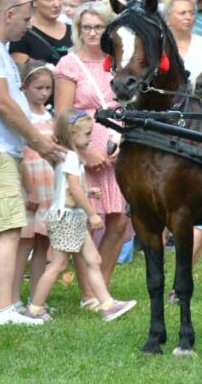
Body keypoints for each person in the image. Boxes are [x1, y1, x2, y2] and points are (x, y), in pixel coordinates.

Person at [0, 0, 65, 326]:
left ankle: (9, 304)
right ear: (8, 15)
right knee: (9, 229)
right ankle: (2, 310)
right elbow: (2, 103)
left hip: (3, 151)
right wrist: (39, 142)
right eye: (26, 19)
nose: (28, 28)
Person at [24, 109, 136, 322]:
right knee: (58, 265)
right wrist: (92, 213)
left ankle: (107, 305)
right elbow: (73, 191)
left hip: (69, 217)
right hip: (67, 218)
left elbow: (68, 189)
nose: (90, 138)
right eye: (86, 134)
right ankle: (35, 308)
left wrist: (87, 193)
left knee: (93, 260)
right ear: (71, 134)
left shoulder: (66, 158)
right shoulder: (72, 158)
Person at [54, 2, 130, 286]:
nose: (92, 32)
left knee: (119, 220)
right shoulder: (69, 64)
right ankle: (89, 292)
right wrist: (84, 152)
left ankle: (103, 286)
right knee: (88, 220)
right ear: (78, 30)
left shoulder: (118, 61)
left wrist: (124, 138)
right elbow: (62, 115)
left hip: (118, 147)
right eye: (86, 27)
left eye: (98, 26)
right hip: (86, 148)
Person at [15, 61, 56, 306]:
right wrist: (29, 188)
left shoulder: (48, 113)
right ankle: (12, 296)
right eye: (38, 88)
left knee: (43, 242)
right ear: (25, 87)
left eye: (48, 88)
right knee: (25, 241)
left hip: (48, 184)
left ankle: (36, 298)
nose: (44, 93)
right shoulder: (23, 115)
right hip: (32, 183)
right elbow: (21, 154)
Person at [9, 0, 74, 66]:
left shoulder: (74, 31)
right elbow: (21, 73)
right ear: (34, 1)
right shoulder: (22, 34)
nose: (57, 4)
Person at [162, 0, 202, 81]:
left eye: (191, 13)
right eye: (182, 13)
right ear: (167, 19)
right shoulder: (158, 46)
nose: (188, 17)